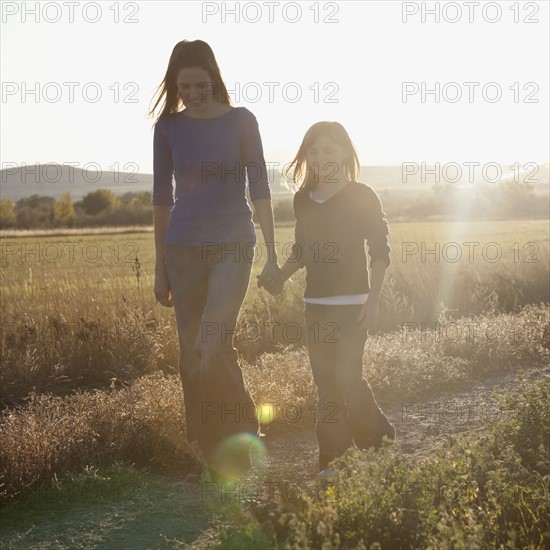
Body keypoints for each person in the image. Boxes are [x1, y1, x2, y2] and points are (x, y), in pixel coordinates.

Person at [149, 39, 280, 481]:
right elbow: (161, 199)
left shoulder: (242, 121)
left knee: (211, 340)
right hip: (182, 247)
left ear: (214, 78)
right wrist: (158, 265)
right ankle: (206, 444)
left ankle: (243, 428)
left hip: (233, 244)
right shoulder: (168, 129)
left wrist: (273, 252)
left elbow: (260, 186)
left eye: (200, 84)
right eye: (184, 86)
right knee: (193, 352)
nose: (192, 93)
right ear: (175, 85)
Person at [258, 121, 395, 480]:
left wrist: (374, 300)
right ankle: (331, 461)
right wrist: (279, 276)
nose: (321, 158)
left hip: (354, 306)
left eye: (329, 150)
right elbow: (302, 250)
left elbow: (380, 250)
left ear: (346, 152)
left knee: (349, 379)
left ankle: (379, 440)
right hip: (316, 306)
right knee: (326, 386)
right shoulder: (303, 199)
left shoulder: (363, 195)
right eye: (314, 151)